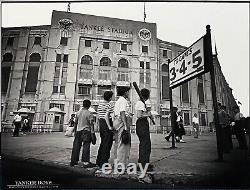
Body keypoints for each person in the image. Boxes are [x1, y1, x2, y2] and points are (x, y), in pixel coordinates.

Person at [70, 100, 96, 167]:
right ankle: (85, 162)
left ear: (83, 105)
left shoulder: (78, 113)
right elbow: (91, 124)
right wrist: (93, 133)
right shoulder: (89, 113)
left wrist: (75, 131)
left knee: (76, 146)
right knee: (86, 146)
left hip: (78, 131)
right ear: (89, 105)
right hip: (86, 131)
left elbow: (75, 123)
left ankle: (74, 161)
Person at [135, 88, 154, 172]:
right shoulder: (141, 103)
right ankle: (142, 165)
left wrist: (148, 114)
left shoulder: (142, 103)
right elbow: (139, 115)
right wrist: (148, 114)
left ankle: (145, 163)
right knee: (144, 144)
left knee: (146, 144)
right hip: (141, 124)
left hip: (142, 124)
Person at [113, 86, 131, 170]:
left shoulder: (118, 101)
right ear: (125, 92)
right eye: (127, 91)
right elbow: (122, 113)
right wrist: (126, 126)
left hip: (117, 121)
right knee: (123, 143)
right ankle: (121, 165)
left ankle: (117, 162)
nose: (128, 93)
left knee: (118, 142)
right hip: (121, 121)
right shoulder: (123, 101)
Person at [96, 91, 114, 168]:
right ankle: (104, 162)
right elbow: (107, 116)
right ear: (110, 97)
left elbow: (98, 115)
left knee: (103, 142)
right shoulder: (110, 104)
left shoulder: (100, 104)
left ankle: (99, 160)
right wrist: (109, 126)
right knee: (107, 143)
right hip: (107, 123)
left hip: (101, 123)